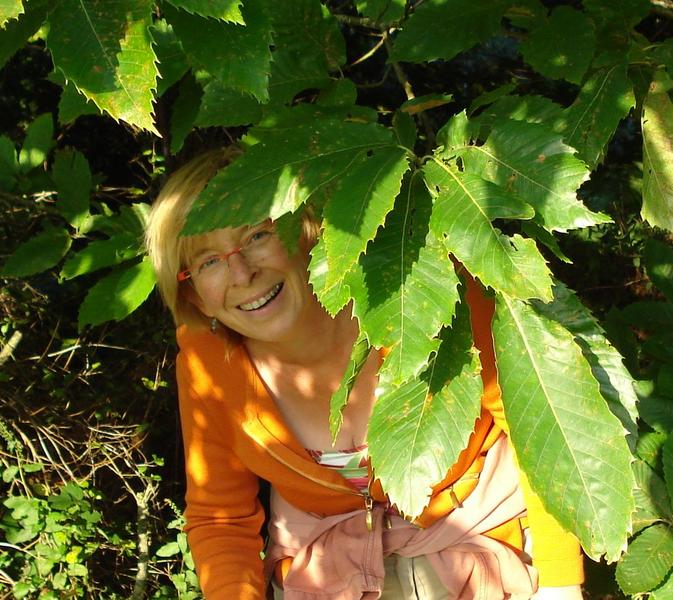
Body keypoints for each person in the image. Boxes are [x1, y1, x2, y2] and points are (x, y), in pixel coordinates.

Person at [145, 147, 585, 599]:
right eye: (208, 262)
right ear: (195, 296)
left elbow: (541, 432)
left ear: (307, 229)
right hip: (327, 574)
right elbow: (222, 518)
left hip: (487, 544)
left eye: (257, 235)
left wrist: (561, 583)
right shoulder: (207, 365)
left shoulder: (415, 288)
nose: (241, 272)